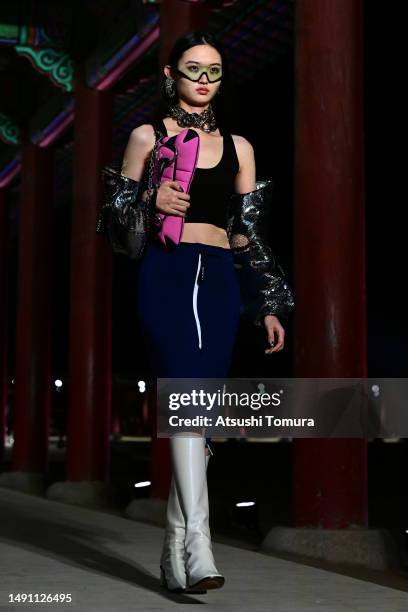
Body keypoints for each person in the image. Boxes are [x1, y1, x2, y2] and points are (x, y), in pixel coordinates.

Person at [119, 31, 295, 594]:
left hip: (218, 279)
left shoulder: (241, 148)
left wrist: (266, 301)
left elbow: (248, 234)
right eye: (192, 68)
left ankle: (175, 553)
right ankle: (200, 542)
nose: (203, 79)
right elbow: (113, 224)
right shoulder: (146, 136)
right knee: (187, 399)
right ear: (170, 74)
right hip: (166, 276)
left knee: (197, 414)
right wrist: (150, 200)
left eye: (213, 71)